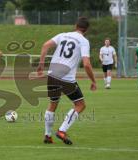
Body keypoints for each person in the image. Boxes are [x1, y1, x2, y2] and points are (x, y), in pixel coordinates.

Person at [37, 17, 96, 145]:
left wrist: (41, 64)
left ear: (76, 25)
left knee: (53, 104)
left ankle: (47, 135)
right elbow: (86, 64)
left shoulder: (63, 35)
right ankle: (62, 130)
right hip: (67, 79)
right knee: (80, 105)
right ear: (86, 30)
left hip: (52, 75)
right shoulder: (84, 41)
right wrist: (93, 80)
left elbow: (45, 45)